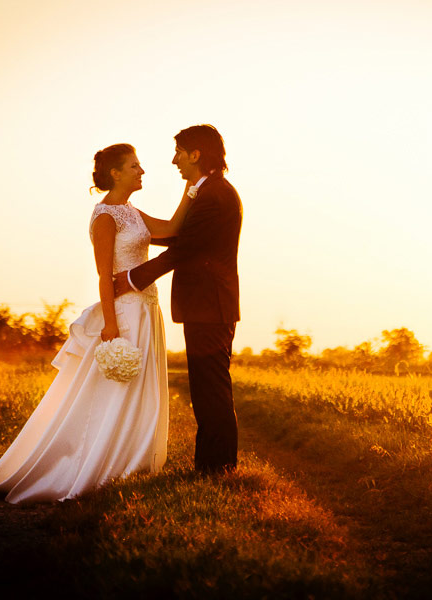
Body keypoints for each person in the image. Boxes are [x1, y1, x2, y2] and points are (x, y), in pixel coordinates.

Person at [0, 144, 193, 504]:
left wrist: (194, 187)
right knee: (112, 390)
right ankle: (89, 465)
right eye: (135, 166)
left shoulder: (131, 212)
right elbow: (103, 275)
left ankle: (129, 460)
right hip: (123, 312)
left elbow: (172, 228)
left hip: (147, 310)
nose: (143, 171)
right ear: (115, 173)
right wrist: (110, 325)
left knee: (138, 388)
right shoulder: (106, 216)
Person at [114, 124, 242, 475]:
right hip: (206, 306)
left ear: (196, 154)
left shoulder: (216, 195)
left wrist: (130, 278)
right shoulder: (208, 191)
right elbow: (183, 239)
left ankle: (218, 469)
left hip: (211, 305)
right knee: (205, 389)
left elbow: (184, 248)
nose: (175, 161)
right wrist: (135, 230)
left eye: (179, 153)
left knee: (211, 389)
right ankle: (212, 467)